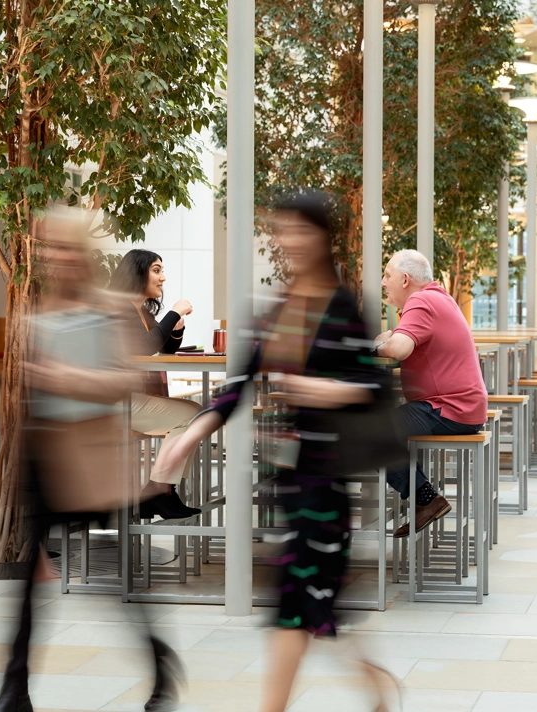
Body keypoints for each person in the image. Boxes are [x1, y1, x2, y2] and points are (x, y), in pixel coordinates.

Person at [151, 190, 400, 712]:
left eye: (302, 230)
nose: (292, 240)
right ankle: (376, 684)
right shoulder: (279, 308)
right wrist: (189, 436)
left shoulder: (342, 307)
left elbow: (376, 386)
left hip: (327, 481)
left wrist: (326, 390)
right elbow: (237, 387)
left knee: (295, 601)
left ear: (323, 237)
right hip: (290, 478)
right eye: (285, 230)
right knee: (312, 602)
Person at [0, 211, 183, 712]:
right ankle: (13, 691)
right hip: (46, 461)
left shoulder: (109, 309)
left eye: (62, 247)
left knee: (113, 576)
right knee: (26, 589)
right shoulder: (39, 311)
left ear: (79, 252)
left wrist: (67, 378)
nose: (54, 257)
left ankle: (160, 660)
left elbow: (122, 381)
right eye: (46, 249)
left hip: (92, 465)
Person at [374, 249, 488, 538]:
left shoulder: (421, 300)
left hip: (448, 408)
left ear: (405, 280)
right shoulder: (437, 298)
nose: (383, 282)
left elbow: (398, 348)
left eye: (387, 275)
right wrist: (388, 338)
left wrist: (377, 345)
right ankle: (425, 497)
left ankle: (426, 499)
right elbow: (397, 339)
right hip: (458, 406)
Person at [109, 249, 200, 521]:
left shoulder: (141, 312)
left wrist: (176, 328)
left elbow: (165, 348)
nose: (163, 278)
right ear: (138, 273)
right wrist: (173, 313)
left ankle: (162, 490)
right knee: (194, 415)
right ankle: (159, 490)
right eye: (156, 270)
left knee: (196, 413)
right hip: (109, 401)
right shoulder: (118, 309)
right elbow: (145, 347)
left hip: (127, 398)